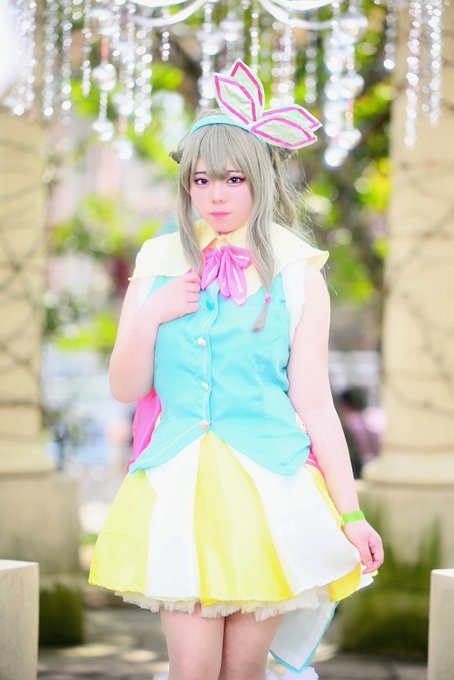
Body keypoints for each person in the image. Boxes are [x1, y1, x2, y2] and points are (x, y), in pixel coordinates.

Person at [89, 60, 383, 680]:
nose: (216, 195)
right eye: (202, 179)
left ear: (260, 181)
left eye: (232, 178)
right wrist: (153, 314)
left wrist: (351, 514)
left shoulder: (299, 276)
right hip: (179, 489)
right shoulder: (159, 262)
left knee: (243, 673)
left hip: (271, 489)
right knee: (193, 670)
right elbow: (125, 387)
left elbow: (314, 403)